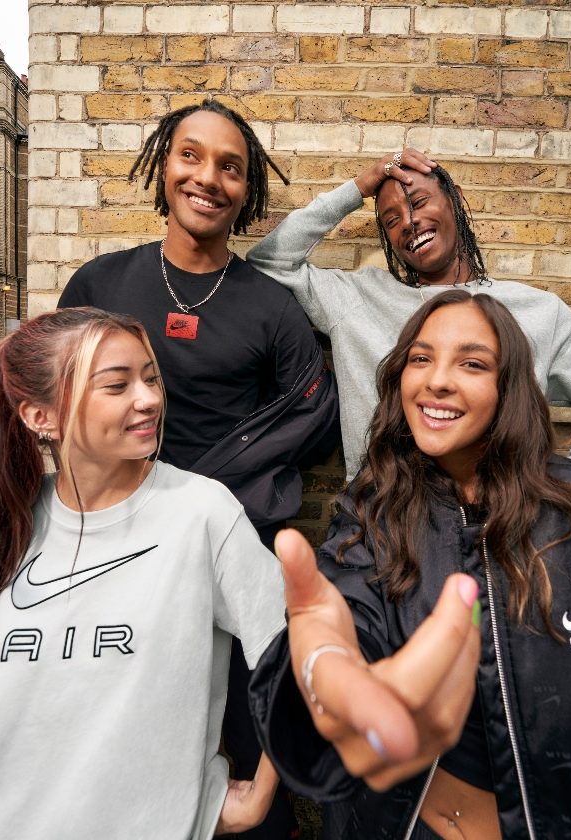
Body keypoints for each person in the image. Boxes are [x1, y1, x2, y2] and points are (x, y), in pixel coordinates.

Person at [250, 291, 571, 839]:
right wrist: (324, 664)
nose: (437, 380)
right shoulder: (373, 512)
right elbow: (344, 619)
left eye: (472, 364)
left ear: (510, 388)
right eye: (421, 358)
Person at [58, 99, 339, 839]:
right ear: (163, 166)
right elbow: (56, 400)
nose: (208, 178)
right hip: (111, 550)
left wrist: (212, 486)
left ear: (247, 191)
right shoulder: (100, 285)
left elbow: (313, 411)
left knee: (247, 726)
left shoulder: (269, 307)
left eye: (230, 167)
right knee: (112, 724)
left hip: (227, 552)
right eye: (191, 155)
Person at [0, 307, 286, 840]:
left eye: (150, 378)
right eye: (117, 385)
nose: (148, 399)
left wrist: (260, 792)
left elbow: (304, 654)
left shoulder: (200, 512)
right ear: (40, 416)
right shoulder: (5, 520)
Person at [246, 148, 571, 480]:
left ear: (454, 200)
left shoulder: (538, 311)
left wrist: (566, 490)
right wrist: (359, 187)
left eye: (419, 203)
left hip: (503, 525)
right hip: (385, 524)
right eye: (391, 220)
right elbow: (269, 261)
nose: (409, 222)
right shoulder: (357, 299)